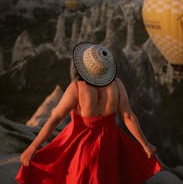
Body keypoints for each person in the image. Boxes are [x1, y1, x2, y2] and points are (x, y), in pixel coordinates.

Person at [16, 42, 162, 184]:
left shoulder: (76, 89)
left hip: (83, 148)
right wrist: (145, 144)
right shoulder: (117, 85)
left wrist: (33, 148)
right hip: (109, 147)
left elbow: (55, 119)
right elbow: (128, 116)